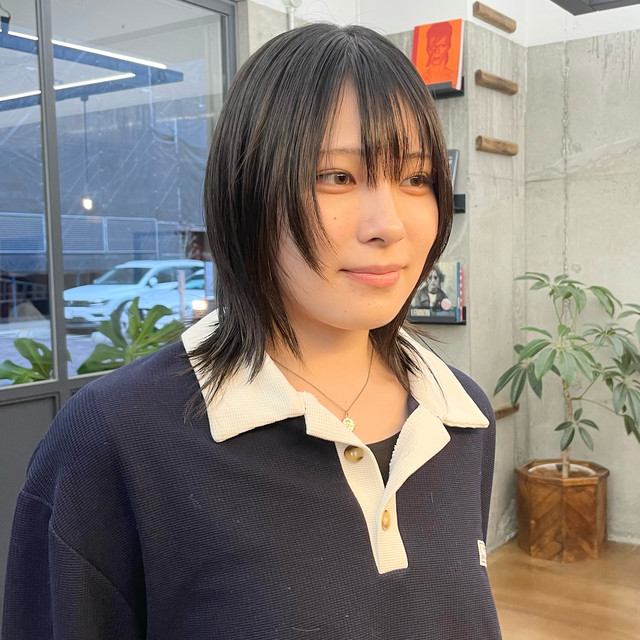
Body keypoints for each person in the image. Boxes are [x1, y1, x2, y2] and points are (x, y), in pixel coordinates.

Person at [2, 23, 501, 640]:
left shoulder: (461, 417)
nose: (389, 224)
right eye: (337, 176)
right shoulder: (115, 440)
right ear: (250, 190)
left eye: (416, 178)